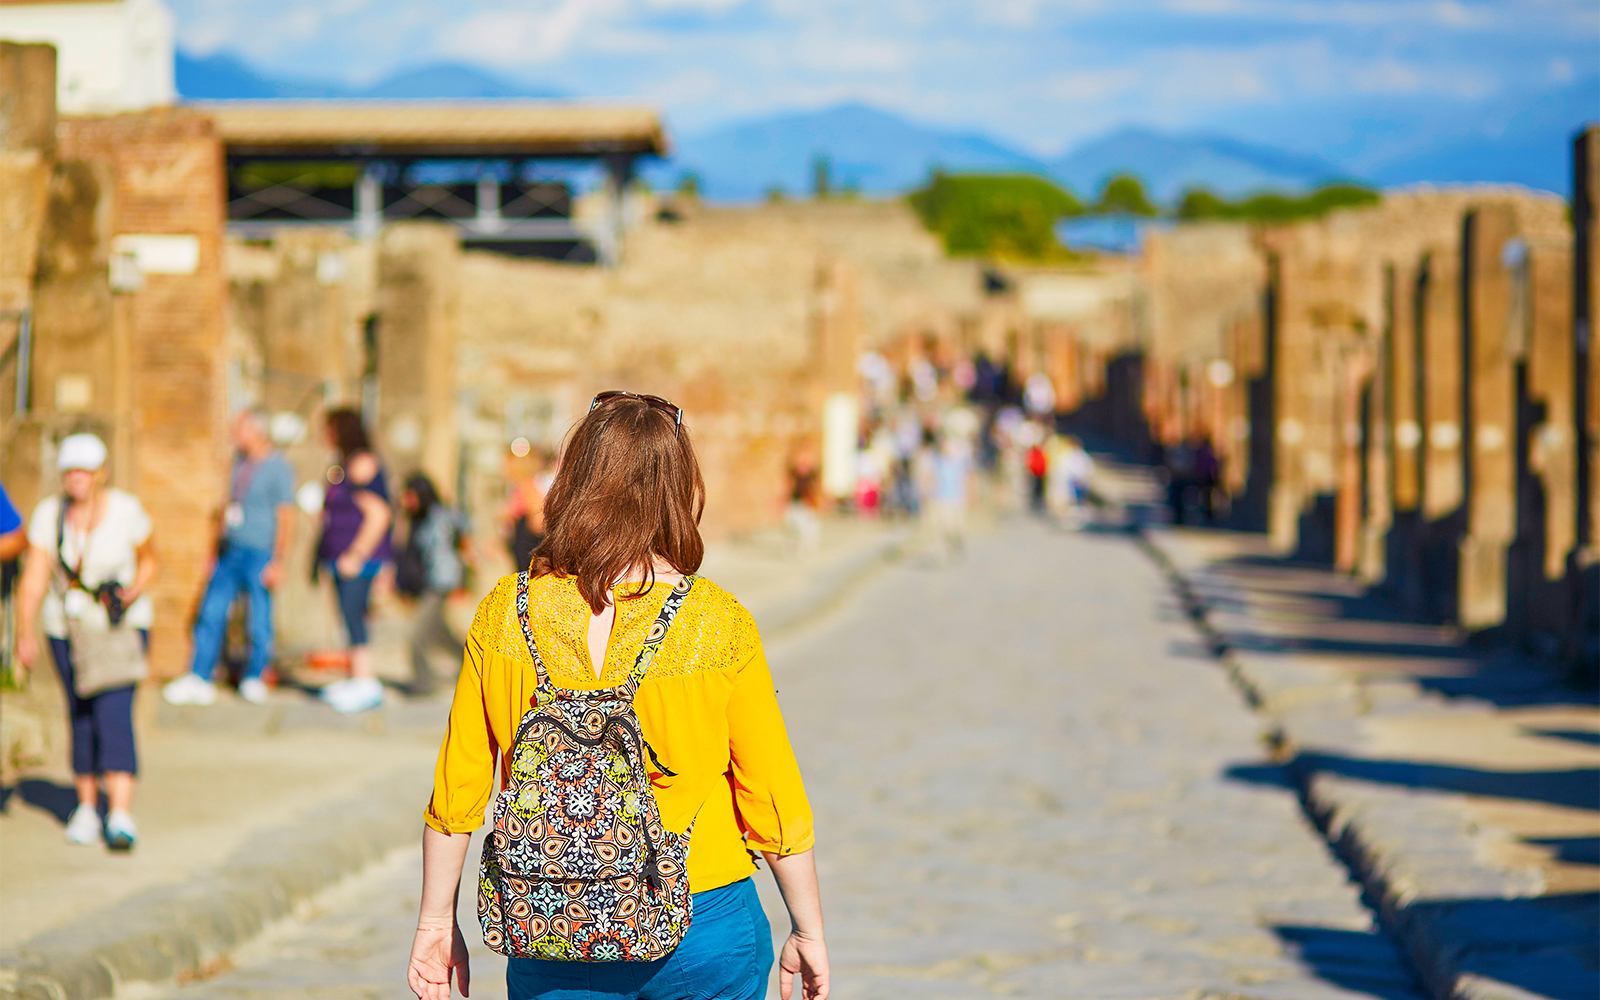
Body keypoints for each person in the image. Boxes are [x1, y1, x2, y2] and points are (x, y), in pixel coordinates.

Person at [409, 392, 829, 1000]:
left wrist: (434, 924)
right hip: (702, 918)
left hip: (552, 920)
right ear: (679, 486)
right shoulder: (716, 622)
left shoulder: (504, 614)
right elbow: (770, 793)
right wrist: (808, 929)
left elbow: (457, 792)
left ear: (573, 478)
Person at [13, 434, 158, 849]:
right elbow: (35, 577)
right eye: (70, 471)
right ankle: (87, 806)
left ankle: (121, 811)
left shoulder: (126, 510)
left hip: (118, 628)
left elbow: (151, 559)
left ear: (100, 473)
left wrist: (130, 592)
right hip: (68, 628)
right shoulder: (49, 514)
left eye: (84, 471)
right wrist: (25, 631)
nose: (77, 478)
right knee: (80, 713)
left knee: (114, 711)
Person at [164, 408, 296, 707]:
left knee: (258, 619)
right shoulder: (238, 462)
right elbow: (226, 507)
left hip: (260, 552)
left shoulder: (278, 467)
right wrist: (212, 550)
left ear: (258, 432)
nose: (234, 435)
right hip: (230, 551)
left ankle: (255, 675)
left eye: (241, 429)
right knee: (211, 612)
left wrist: (278, 561)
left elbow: (287, 517)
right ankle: (199, 675)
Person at [317, 409, 393, 714]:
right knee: (346, 617)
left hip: (358, 560)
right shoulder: (342, 464)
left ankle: (365, 681)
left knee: (354, 615)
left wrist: (356, 554)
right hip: (339, 558)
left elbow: (379, 514)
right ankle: (353, 677)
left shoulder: (362, 464)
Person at [397, 473, 466, 698]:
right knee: (439, 633)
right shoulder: (417, 518)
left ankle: (423, 684)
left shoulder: (440, 517)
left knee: (417, 635)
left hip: (440, 583)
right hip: (428, 583)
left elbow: (462, 531)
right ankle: (473, 663)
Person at [504, 448, 551, 573]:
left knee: (524, 585)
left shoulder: (527, 485)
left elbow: (538, 521)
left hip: (527, 547)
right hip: (523, 545)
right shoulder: (519, 486)